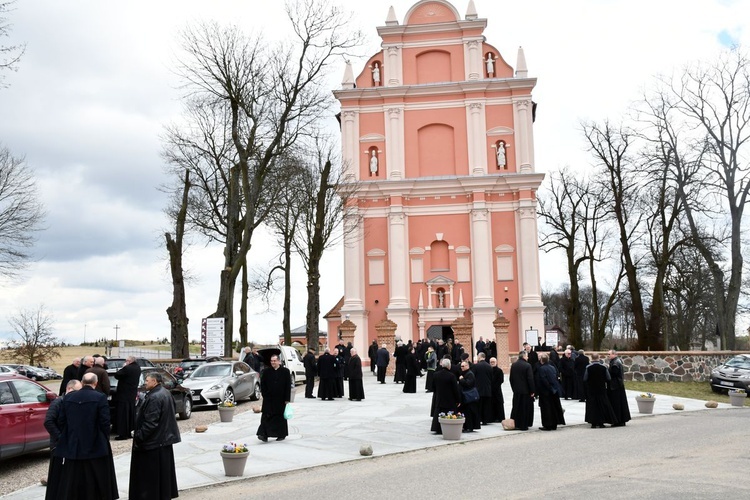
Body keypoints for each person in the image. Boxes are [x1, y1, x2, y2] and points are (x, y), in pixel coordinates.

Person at [53, 372, 118, 499]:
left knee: (74, 474)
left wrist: (67, 434)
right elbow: (105, 421)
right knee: (94, 474)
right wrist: (104, 437)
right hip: (94, 442)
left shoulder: (68, 398)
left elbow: (61, 420)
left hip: (73, 442)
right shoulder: (100, 397)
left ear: (82, 383)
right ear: (96, 383)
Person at [129, 371, 181, 499]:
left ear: (155, 381)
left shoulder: (155, 397)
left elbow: (151, 422)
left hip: (154, 442)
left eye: (147, 380)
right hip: (163, 439)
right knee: (161, 477)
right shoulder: (165, 393)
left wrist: (139, 436)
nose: (145, 383)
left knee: (151, 478)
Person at [44, 379, 82, 500]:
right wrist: (61, 438)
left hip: (70, 445)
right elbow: (48, 422)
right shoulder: (58, 402)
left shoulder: (74, 402)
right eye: (77, 391)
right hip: (58, 445)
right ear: (69, 389)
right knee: (57, 476)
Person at [257, 354, 292, 442]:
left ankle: (281, 434)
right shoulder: (266, 371)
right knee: (266, 416)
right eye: (271, 361)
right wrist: (264, 394)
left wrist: (287, 399)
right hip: (269, 398)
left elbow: (288, 386)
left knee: (280, 417)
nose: (273, 362)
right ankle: (263, 434)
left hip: (281, 399)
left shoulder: (285, 371)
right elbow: (263, 384)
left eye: (274, 361)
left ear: (279, 361)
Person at [584, 353, 617, 428]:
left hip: (591, 389)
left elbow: (585, 378)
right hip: (601, 389)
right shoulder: (603, 367)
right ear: (598, 358)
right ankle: (601, 422)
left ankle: (593, 422)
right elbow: (608, 378)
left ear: (591, 358)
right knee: (602, 405)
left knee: (592, 406)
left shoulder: (588, 367)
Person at [112, 355, 141, 440]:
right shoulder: (137, 368)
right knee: (130, 414)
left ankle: (123, 434)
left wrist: (124, 367)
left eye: (126, 361)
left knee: (123, 415)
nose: (125, 362)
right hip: (132, 394)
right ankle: (129, 432)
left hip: (123, 394)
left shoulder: (127, 368)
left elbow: (117, 375)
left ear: (129, 361)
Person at [430, 359, 461, 434]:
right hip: (449, 399)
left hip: (439, 398)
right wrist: (458, 400)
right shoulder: (451, 376)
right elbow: (455, 389)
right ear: (449, 366)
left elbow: (432, 387)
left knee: (439, 412)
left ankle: (437, 428)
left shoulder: (436, 375)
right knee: (449, 412)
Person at [536, 353, 566, 431]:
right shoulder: (552, 367)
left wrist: (548, 387)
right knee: (554, 408)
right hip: (554, 391)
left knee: (546, 409)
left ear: (541, 361)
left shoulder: (542, 369)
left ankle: (547, 425)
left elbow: (543, 380)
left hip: (546, 392)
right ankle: (554, 424)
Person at [509, 350, 535, 431]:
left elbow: (511, 379)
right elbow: (530, 379)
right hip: (526, 391)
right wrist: (532, 391)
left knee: (516, 407)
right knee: (524, 408)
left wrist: (514, 388)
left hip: (516, 391)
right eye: (527, 356)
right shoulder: (527, 365)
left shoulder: (514, 365)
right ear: (524, 356)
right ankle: (524, 425)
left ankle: (516, 423)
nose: (527, 357)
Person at [607, 349, 631, 427]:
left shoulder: (615, 363)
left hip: (615, 386)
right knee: (620, 403)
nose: (608, 356)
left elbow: (613, 374)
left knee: (616, 404)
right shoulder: (616, 361)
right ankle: (621, 420)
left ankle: (617, 420)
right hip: (618, 385)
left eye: (609, 354)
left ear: (614, 354)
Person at [472, 352, 494, 425]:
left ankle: (479, 419)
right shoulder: (489, 366)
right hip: (487, 389)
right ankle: (485, 420)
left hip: (478, 389)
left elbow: (473, 377)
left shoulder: (476, 366)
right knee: (486, 405)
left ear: (479, 357)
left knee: (479, 406)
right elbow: (491, 378)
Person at [458, 360, 480, 432]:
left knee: (470, 412)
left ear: (467, 366)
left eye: (463, 366)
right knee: (466, 412)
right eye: (461, 366)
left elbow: (468, 384)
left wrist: (461, 380)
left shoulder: (470, 374)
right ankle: (466, 426)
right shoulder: (464, 373)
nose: (462, 368)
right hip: (465, 396)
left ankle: (470, 427)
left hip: (469, 397)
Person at [489, 357, 505, 422]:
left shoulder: (499, 370)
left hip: (497, 390)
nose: (492, 363)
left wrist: (494, 386)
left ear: (496, 362)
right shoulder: (489, 370)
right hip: (490, 390)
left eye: (493, 362)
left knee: (499, 404)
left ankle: (499, 417)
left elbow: (501, 380)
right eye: (491, 362)